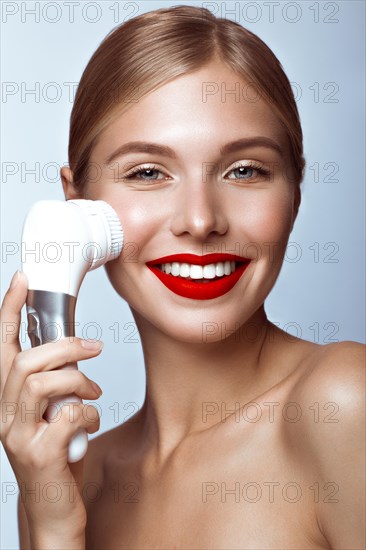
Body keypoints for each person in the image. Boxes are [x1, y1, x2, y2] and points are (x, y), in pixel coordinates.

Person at [1, 5, 364, 549]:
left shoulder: (343, 404)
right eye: (148, 172)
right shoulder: (74, 478)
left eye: (245, 170)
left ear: (295, 192)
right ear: (76, 206)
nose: (200, 221)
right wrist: (51, 527)